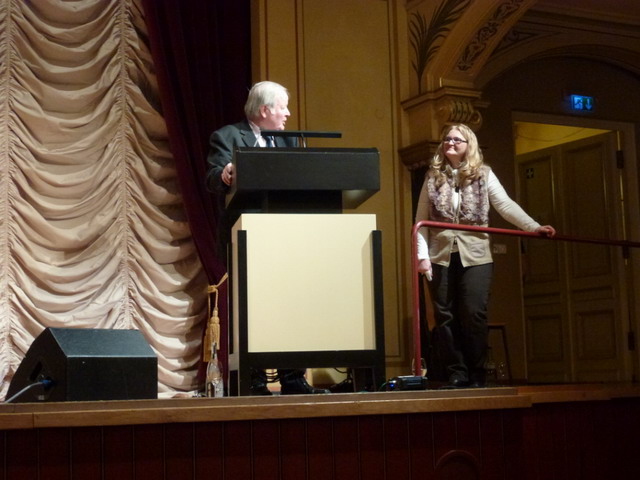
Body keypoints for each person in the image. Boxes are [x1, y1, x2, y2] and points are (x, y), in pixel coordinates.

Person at [206, 80, 329, 396]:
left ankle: (293, 378)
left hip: (286, 238)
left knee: (291, 305)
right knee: (251, 309)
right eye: (283, 107)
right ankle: (254, 381)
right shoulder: (228, 136)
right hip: (245, 237)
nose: (288, 114)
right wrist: (225, 173)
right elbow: (213, 177)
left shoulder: (290, 140)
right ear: (264, 110)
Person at [415, 124, 556, 388]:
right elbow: (420, 220)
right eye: (447, 139)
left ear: (469, 145)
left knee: (473, 313)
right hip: (439, 254)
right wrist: (422, 256)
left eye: (457, 140)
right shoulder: (432, 177)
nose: (450, 143)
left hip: (476, 255)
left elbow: (505, 205)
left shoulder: (483, 174)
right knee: (445, 315)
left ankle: (477, 372)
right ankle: (457, 372)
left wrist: (533, 227)